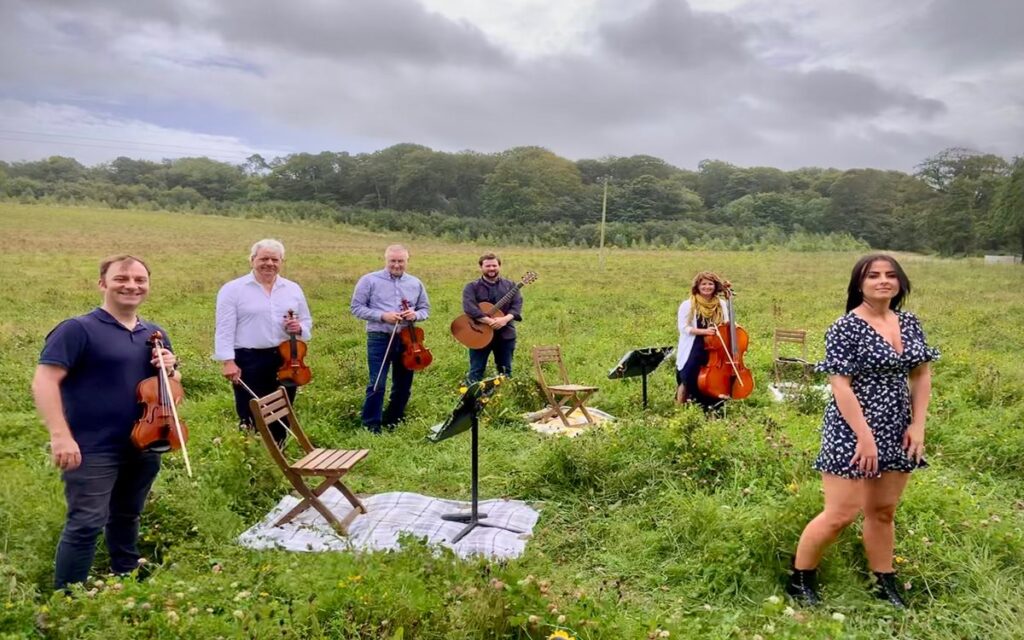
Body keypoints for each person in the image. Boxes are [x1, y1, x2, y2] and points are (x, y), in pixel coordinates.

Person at [786, 254, 938, 608]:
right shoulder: (845, 327)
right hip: (851, 427)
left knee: (883, 510)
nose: (883, 280)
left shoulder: (910, 322)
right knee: (841, 513)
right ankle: (800, 578)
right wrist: (864, 437)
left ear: (900, 282)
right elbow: (840, 385)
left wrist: (918, 425)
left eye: (890, 275)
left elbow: (920, 374)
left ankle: (882, 581)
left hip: (897, 424)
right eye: (873, 276)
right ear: (859, 284)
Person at [32, 255, 179, 590]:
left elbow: (171, 385)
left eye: (140, 280)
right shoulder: (78, 329)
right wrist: (60, 436)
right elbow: (44, 382)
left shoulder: (154, 333)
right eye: (122, 278)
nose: (132, 285)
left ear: (148, 285)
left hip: (144, 441)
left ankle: (125, 569)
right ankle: (67, 598)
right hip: (91, 446)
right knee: (86, 522)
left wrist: (169, 367)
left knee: (128, 514)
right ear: (103, 283)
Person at [214, 239, 312, 445]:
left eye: (275, 259)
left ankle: (279, 454)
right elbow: (224, 328)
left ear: (281, 262)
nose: (269, 263)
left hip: (286, 359)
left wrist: (299, 328)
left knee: (282, 409)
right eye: (264, 258)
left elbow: (306, 321)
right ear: (252, 260)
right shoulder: (233, 289)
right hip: (248, 358)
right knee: (250, 409)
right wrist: (228, 361)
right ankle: (252, 457)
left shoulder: (292, 289)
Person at [350, 244, 431, 433]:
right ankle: (371, 424)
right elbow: (356, 307)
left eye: (400, 261)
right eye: (392, 261)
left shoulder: (415, 283)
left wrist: (415, 315)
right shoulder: (369, 280)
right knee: (377, 382)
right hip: (379, 337)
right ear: (386, 260)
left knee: (403, 384)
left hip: (408, 340)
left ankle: (393, 419)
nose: (396, 265)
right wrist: (382, 316)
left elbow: (425, 309)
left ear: (407, 261)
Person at [461, 253, 523, 384]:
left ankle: (503, 398)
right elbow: (470, 308)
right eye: (487, 266)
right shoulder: (471, 287)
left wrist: (504, 320)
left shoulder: (511, 285)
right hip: (478, 334)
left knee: (505, 371)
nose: (491, 268)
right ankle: (471, 400)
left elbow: (517, 306)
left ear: (499, 266)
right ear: (481, 267)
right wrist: (488, 321)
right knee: (476, 371)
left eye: (494, 265)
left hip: (505, 334)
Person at [675, 271, 730, 410]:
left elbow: (726, 323)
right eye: (703, 284)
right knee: (689, 376)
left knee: (716, 378)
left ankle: (713, 406)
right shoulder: (688, 304)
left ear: (715, 286)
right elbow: (683, 328)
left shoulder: (721, 304)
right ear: (697, 286)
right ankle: (691, 406)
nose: (707, 287)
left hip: (715, 347)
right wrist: (703, 332)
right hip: (695, 346)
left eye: (710, 284)